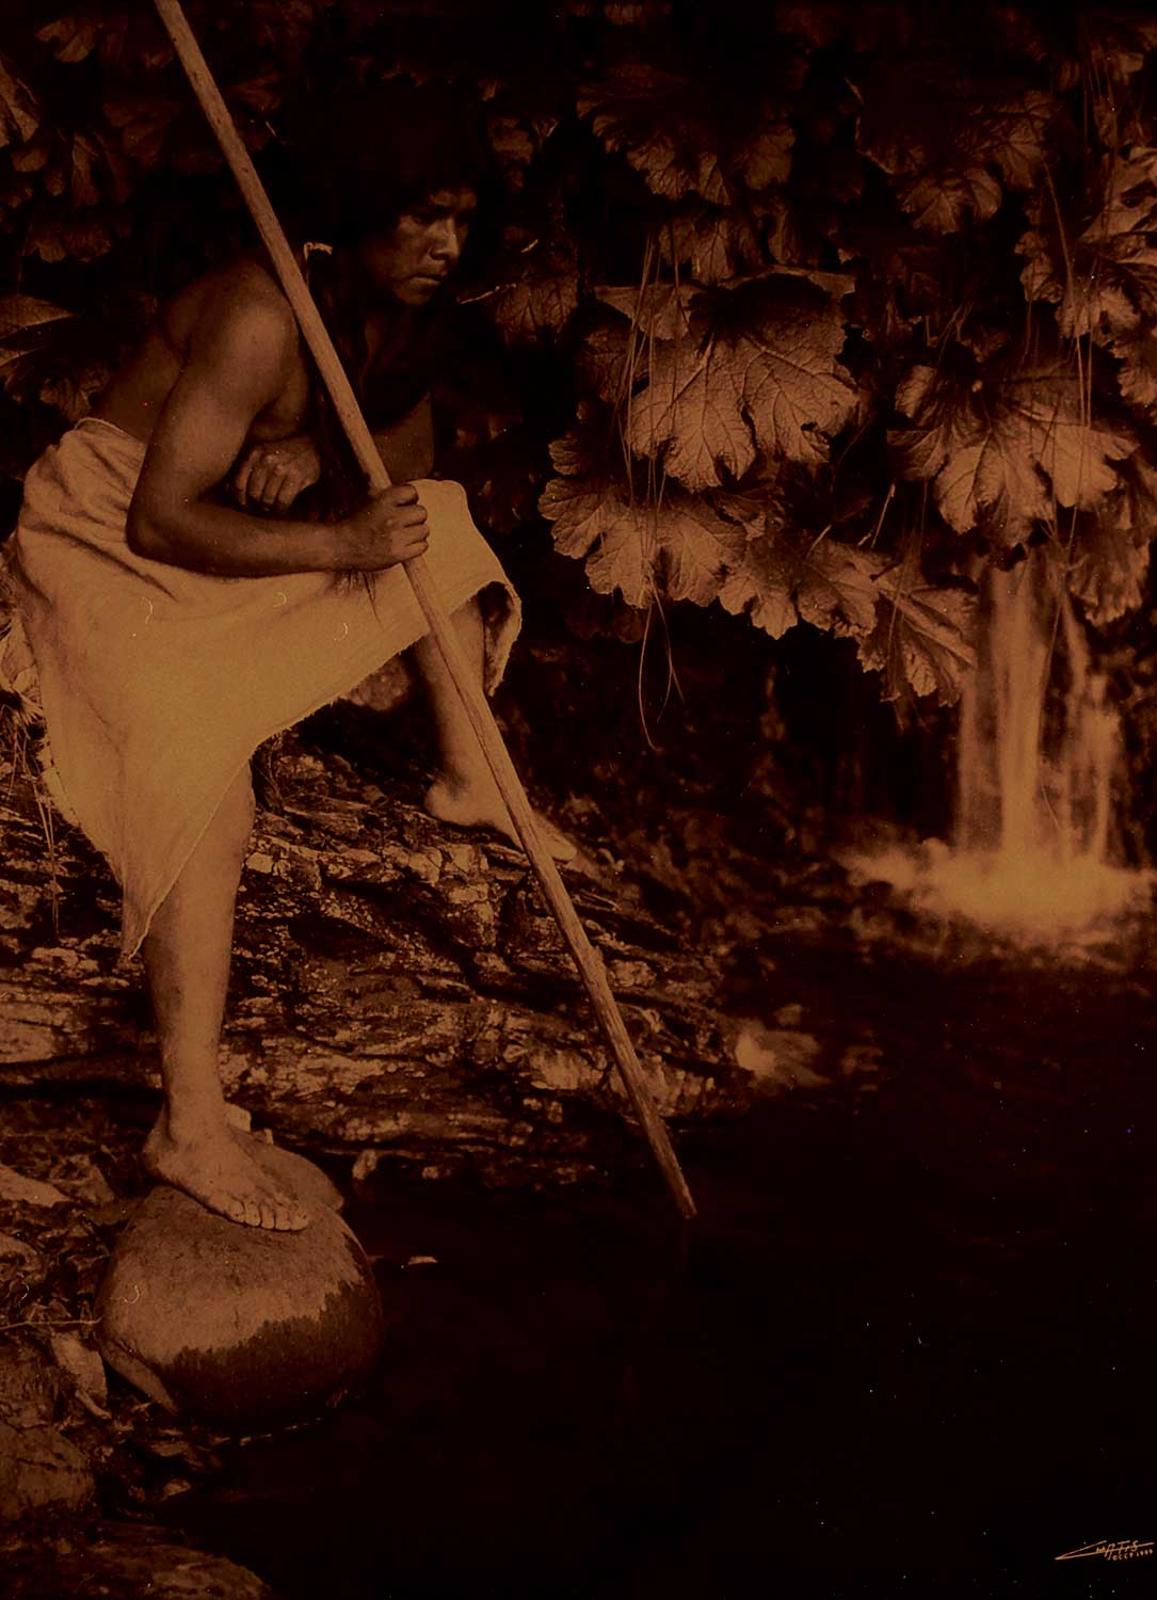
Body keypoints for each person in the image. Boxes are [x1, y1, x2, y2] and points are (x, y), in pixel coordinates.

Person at [1, 85, 570, 1235]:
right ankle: (189, 1120)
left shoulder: (402, 324)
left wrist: (316, 449)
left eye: (459, 220)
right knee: (200, 769)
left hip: (228, 547)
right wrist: (332, 538)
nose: (444, 246)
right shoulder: (263, 314)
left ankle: (470, 780)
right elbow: (157, 520)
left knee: (445, 525)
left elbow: (396, 502)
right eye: (418, 218)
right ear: (357, 214)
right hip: (106, 545)